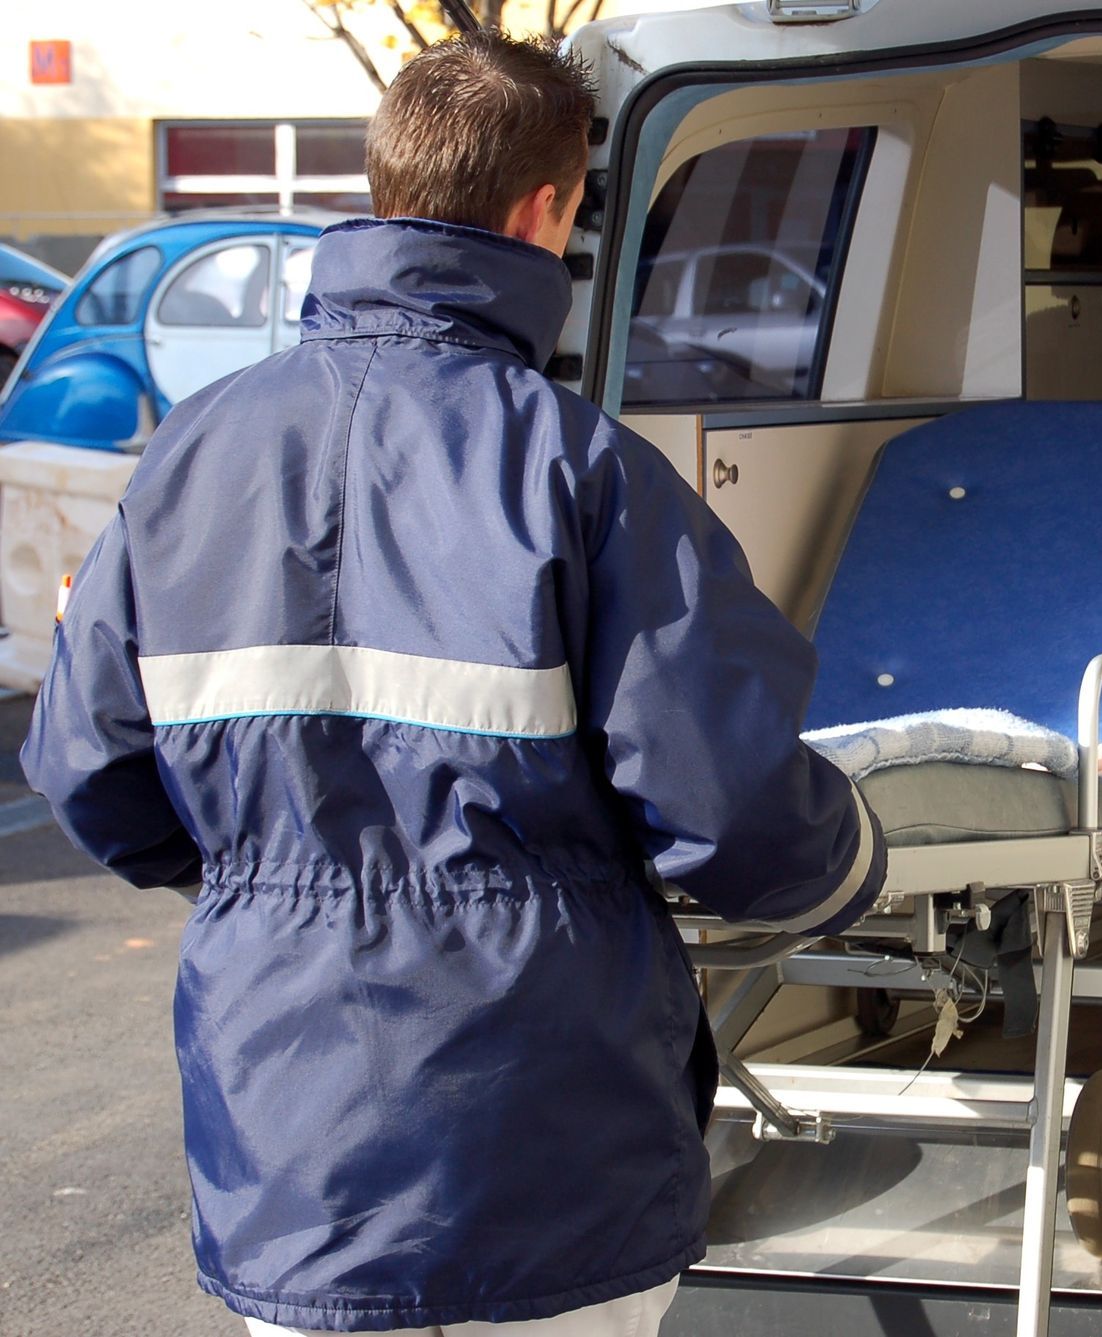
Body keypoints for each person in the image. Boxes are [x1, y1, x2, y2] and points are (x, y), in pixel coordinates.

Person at [20, 30, 885, 1337]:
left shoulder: (196, 453)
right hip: (544, 1143)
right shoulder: (581, 470)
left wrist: (274, 872)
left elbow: (86, 761)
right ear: (549, 209)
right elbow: (734, 799)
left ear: (385, 189)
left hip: (291, 1140)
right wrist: (853, 863)